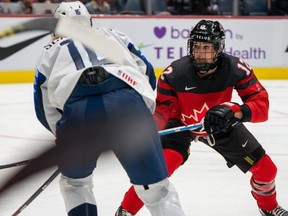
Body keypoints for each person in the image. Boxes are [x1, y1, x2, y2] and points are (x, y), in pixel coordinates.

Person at [115, 19, 288, 216]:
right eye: (196, 46)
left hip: (221, 124)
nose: (200, 53)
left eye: (206, 47)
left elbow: (262, 105)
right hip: (180, 123)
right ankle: (124, 211)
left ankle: (268, 208)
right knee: (156, 171)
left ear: (218, 48)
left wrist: (232, 110)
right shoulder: (174, 74)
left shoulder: (235, 68)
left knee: (267, 170)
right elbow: (162, 112)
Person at [33, 1, 186, 216]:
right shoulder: (114, 35)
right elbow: (146, 72)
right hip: (128, 101)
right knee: (156, 190)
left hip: (79, 109)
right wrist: (140, 111)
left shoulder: (49, 51)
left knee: (75, 184)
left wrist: (64, 137)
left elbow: (43, 105)